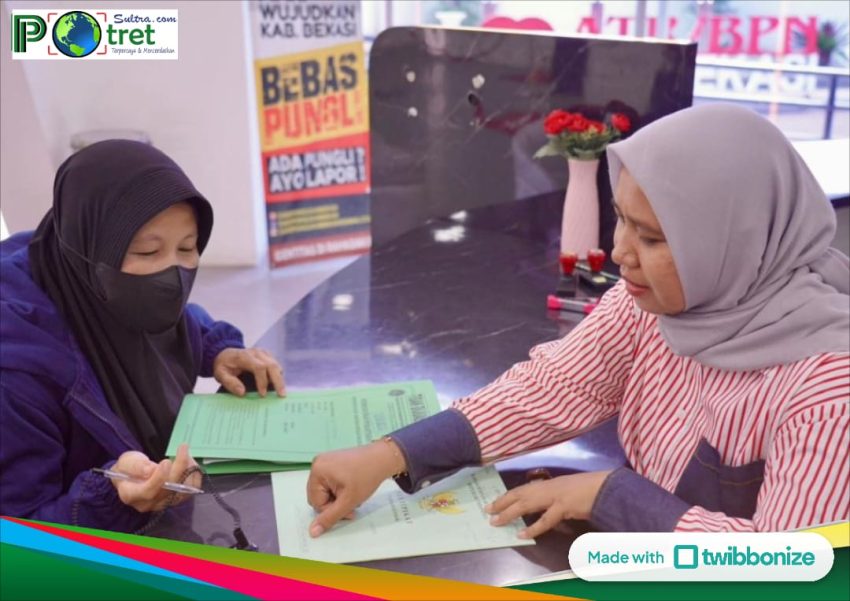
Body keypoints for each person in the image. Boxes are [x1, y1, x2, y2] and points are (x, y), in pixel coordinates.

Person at [306, 104, 850, 536]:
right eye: (621, 219)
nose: (620, 252)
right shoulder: (653, 305)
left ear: (738, 241)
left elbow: (795, 567)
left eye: (652, 238)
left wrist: (612, 497)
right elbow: (552, 389)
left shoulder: (828, 391)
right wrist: (390, 454)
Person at [0, 140, 285, 532]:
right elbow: (19, 539)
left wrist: (218, 348)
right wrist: (110, 498)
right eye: (149, 253)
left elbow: (170, 319)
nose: (172, 275)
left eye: (188, 247)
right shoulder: (16, 378)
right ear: (88, 252)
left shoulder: (87, 280)